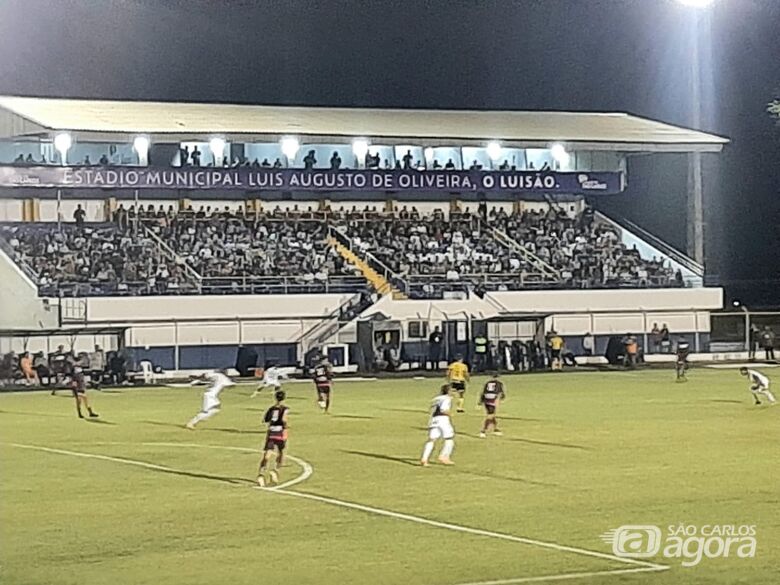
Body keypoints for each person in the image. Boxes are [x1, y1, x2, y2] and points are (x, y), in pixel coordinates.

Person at [257, 389, 289, 487]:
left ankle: (261, 474)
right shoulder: (285, 409)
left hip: (271, 432)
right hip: (279, 432)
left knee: (267, 454)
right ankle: (275, 470)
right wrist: (286, 428)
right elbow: (284, 419)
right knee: (282, 452)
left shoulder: (271, 409)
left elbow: (266, 420)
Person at [420, 384, 455, 466]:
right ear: (448, 391)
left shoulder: (436, 398)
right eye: (452, 390)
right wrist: (450, 414)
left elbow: (430, 409)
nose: (454, 392)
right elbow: (443, 410)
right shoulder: (447, 399)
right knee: (449, 438)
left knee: (432, 439)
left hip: (433, 419)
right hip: (442, 419)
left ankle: (424, 459)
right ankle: (444, 456)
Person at [478, 373, 505, 438]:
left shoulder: (487, 383)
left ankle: (496, 429)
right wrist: (500, 399)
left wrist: (480, 402)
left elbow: (483, 392)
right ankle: (483, 431)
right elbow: (501, 393)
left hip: (486, 398)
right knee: (490, 416)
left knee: (492, 414)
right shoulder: (499, 383)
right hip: (492, 399)